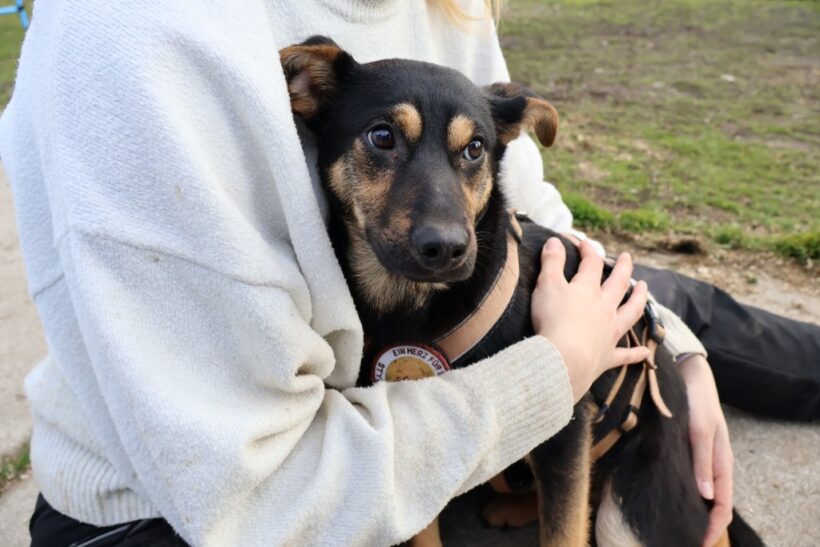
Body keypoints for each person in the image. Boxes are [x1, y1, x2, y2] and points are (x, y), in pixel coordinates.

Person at [6, 1, 812, 545]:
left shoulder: (448, 7)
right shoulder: (140, 32)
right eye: (384, 143)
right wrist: (559, 367)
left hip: (432, 388)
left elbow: (538, 214)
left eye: (468, 153)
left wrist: (671, 352)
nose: (441, 221)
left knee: (682, 299)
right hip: (213, 512)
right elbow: (255, 498)